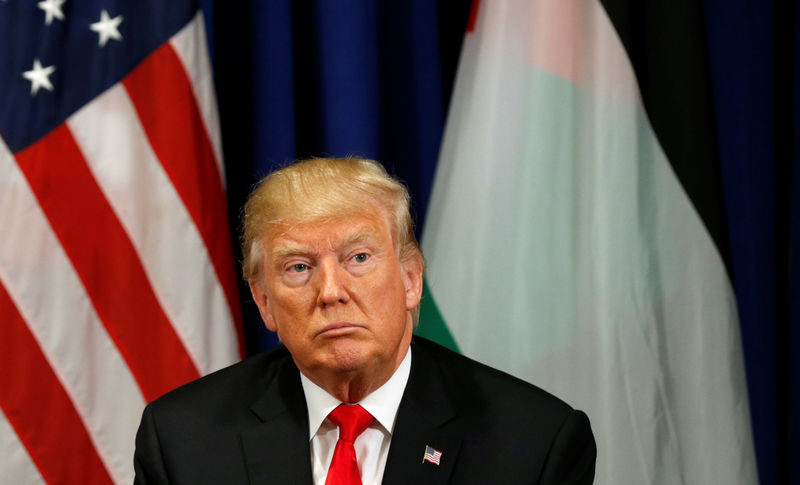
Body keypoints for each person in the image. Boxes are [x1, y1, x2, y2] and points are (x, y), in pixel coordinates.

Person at [133, 157, 596, 484]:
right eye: (298, 267)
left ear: (411, 279)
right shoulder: (182, 439)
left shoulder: (535, 442)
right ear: (264, 302)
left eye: (358, 257)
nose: (331, 291)